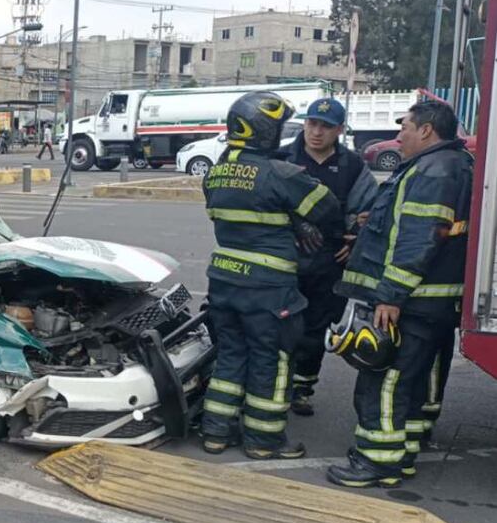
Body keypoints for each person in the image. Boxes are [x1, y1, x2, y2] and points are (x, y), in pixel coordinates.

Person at [327, 101, 472, 488]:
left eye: (405, 127)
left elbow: (417, 239)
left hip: (411, 300)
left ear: (426, 131)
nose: (398, 136)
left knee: (385, 378)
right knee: (413, 377)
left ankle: (379, 463)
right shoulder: (452, 165)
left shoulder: (431, 171)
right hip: (432, 301)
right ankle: (404, 450)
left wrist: (389, 296)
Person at [201, 91, 343, 460]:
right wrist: (297, 219)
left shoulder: (215, 173)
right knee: (272, 360)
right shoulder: (282, 174)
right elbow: (328, 210)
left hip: (224, 283)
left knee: (230, 356)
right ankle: (264, 440)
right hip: (269, 289)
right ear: (264, 130)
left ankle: (216, 432)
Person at [285, 98, 378, 416]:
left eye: (325, 126)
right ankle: (274, 385)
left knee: (316, 330)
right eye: (312, 123)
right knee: (281, 328)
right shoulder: (283, 158)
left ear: (339, 129)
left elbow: (371, 211)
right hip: (286, 260)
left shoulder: (353, 166)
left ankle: (301, 389)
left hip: (329, 263)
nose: (316, 132)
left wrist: (355, 241)